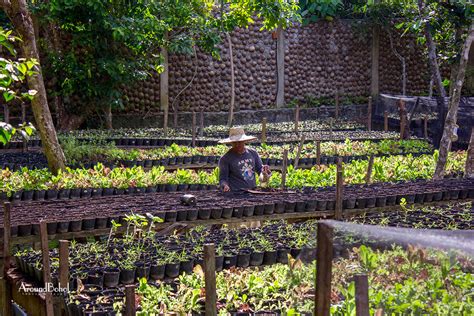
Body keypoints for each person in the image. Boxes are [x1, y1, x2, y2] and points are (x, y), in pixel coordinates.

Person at [218, 127, 271, 192]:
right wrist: (225, 185)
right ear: (231, 143)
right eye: (235, 142)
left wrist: (264, 173)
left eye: (240, 142)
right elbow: (223, 178)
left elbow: (260, 170)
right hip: (235, 193)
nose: (237, 145)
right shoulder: (225, 158)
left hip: (252, 191)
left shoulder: (253, 153)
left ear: (244, 141)